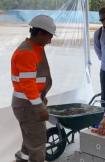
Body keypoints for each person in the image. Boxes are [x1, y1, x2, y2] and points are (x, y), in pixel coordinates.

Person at [11, 15, 56, 162]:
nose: (51, 40)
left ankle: (22, 159)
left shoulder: (35, 48)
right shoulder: (27, 52)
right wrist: (39, 106)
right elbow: (28, 84)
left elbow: (34, 80)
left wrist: (41, 95)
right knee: (37, 144)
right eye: (49, 36)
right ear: (40, 33)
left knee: (29, 141)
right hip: (28, 106)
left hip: (28, 103)